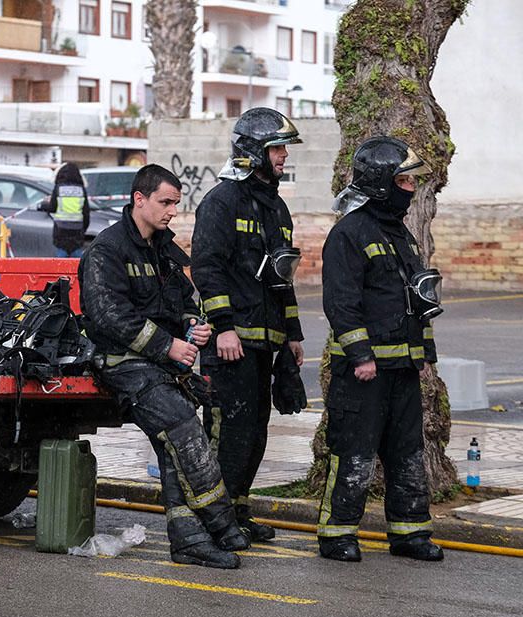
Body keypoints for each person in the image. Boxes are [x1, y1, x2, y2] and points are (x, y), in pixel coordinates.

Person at [79, 164, 248, 569]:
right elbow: (107, 315)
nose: (173, 211)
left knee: (175, 444)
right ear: (140, 199)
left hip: (160, 365)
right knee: (181, 424)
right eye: (166, 202)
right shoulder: (107, 249)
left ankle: (189, 539)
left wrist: (193, 324)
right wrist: (167, 345)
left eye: (176, 203)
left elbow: (187, 299)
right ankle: (220, 521)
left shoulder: (165, 250)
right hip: (122, 365)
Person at [318, 136, 443, 563]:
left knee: (407, 451)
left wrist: (424, 353)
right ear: (380, 182)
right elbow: (341, 302)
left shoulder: (400, 235)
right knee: (353, 452)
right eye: (403, 179)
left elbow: (416, 298)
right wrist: (361, 356)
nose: (411, 187)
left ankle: (410, 533)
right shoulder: (348, 233)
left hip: (403, 367)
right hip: (364, 373)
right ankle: (337, 534)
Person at [190, 107, 305, 543]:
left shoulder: (276, 208)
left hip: (266, 344)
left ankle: (237, 511)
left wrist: (292, 335)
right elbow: (207, 268)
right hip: (230, 345)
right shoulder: (221, 202)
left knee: (255, 434)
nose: (282, 158)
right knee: (225, 435)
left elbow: (283, 277)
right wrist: (223, 327)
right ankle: (214, 520)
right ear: (254, 151)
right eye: (277, 149)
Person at [37, 162, 90, 257]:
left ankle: (61, 271)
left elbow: (52, 208)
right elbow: (86, 212)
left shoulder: (59, 188)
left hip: (61, 230)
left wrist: (44, 205)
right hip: (77, 230)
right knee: (76, 261)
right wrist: (83, 228)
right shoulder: (81, 190)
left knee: (61, 259)